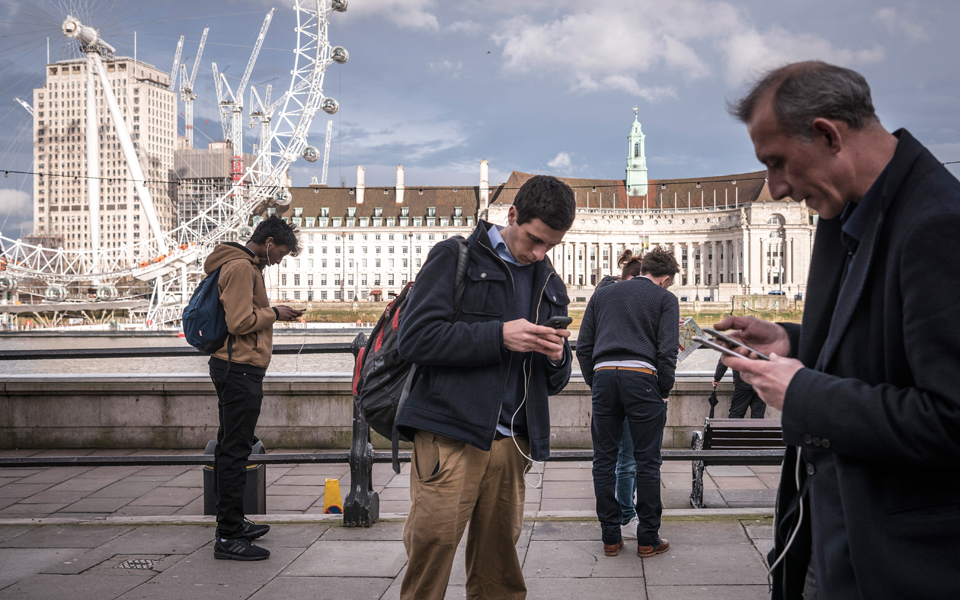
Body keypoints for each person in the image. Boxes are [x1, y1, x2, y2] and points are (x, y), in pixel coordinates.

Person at [720, 61, 960, 599]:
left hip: (901, 562)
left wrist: (803, 392)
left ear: (829, 134)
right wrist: (794, 342)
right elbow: (888, 348)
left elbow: (952, 418)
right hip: (827, 533)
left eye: (777, 163)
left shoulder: (939, 224)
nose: (776, 189)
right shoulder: (846, 216)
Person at [396, 175, 575, 599]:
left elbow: (556, 381)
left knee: (500, 568)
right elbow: (416, 339)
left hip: (512, 444)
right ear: (511, 215)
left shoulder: (550, 283)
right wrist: (499, 336)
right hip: (449, 436)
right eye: (533, 240)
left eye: (550, 245)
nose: (538, 253)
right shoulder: (453, 256)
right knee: (431, 555)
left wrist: (557, 357)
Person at [206, 216, 302, 561]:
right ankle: (228, 536)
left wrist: (271, 312)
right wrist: (276, 312)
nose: (280, 260)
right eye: (282, 253)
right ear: (270, 242)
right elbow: (240, 321)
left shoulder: (242, 264)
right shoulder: (242, 268)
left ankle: (232, 522)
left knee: (231, 446)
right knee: (234, 450)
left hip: (237, 367)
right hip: (239, 369)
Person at [576, 247, 679, 558]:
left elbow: (583, 347)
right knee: (647, 462)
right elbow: (667, 352)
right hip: (642, 378)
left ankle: (610, 537)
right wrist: (662, 390)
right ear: (664, 279)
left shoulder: (602, 295)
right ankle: (648, 538)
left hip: (604, 376)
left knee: (603, 460)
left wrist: (597, 382)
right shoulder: (665, 300)